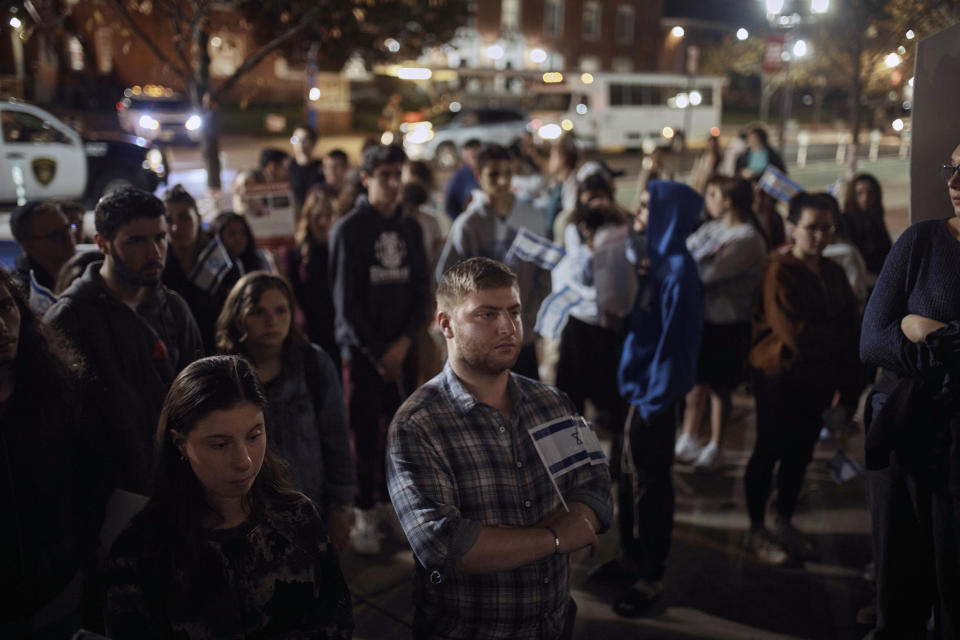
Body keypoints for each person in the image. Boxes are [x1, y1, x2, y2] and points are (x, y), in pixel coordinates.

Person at [387, 257, 612, 640]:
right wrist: (557, 538)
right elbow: (444, 545)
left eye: (514, 312)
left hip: (553, 623)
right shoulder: (418, 425)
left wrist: (576, 520)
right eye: (486, 314)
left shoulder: (553, 403)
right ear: (446, 325)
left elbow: (595, 481)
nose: (507, 327)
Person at [104, 355, 353, 638]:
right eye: (220, 444)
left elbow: (337, 619)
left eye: (254, 435)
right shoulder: (142, 551)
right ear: (180, 444)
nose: (244, 461)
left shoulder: (296, 516)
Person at [859, 142, 960, 638]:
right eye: (953, 169)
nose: (954, 184)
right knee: (898, 590)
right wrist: (943, 346)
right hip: (909, 439)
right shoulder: (922, 241)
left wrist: (922, 326)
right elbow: (873, 340)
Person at [45, 187, 204, 496]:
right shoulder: (71, 317)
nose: (154, 253)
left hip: (178, 490)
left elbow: (198, 401)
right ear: (103, 243)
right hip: (104, 499)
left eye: (159, 237)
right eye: (137, 241)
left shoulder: (173, 308)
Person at [744, 192, 860, 565]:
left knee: (800, 453)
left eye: (827, 228)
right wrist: (841, 340)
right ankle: (756, 528)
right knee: (769, 450)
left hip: (818, 379)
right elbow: (797, 334)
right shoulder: (778, 270)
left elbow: (851, 326)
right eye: (811, 228)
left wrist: (847, 375)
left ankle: (783, 521)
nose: (820, 236)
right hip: (779, 378)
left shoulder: (833, 272)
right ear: (792, 228)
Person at [329, 143, 429, 555]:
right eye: (383, 175)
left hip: (403, 351)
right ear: (366, 178)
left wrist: (404, 344)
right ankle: (364, 513)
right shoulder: (349, 229)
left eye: (397, 174)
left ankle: (393, 504)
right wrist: (378, 353)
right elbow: (345, 304)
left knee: (401, 433)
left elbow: (422, 293)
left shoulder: (411, 228)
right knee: (364, 433)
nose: (392, 183)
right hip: (363, 354)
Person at [0, 266, 106, 638]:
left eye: (6, 308)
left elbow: (92, 480)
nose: (2, 326)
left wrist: (79, 551)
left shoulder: (59, 393)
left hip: (60, 590)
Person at [613, 180, 703, 617]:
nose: (639, 210)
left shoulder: (680, 272)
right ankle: (630, 557)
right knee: (629, 479)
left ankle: (651, 572)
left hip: (653, 397)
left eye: (648, 205)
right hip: (638, 391)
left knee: (650, 483)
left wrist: (654, 398)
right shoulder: (660, 263)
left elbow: (677, 348)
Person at [216, 272, 355, 551]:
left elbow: (336, 438)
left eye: (281, 311)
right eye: (258, 312)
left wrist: (342, 507)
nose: (272, 321)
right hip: (245, 513)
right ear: (238, 317)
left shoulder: (313, 365)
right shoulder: (223, 374)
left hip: (308, 504)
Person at [436, 143, 551, 380]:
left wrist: (528, 319)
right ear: (478, 176)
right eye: (494, 174)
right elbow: (446, 279)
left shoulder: (531, 218)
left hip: (522, 334)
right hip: (480, 339)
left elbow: (545, 274)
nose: (502, 181)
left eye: (508, 173)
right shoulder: (468, 224)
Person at [676, 177, 767, 471]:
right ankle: (689, 436)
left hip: (728, 322)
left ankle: (716, 443)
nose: (709, 200)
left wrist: (686, 265)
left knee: (720, 387)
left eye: (713, 194)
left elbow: (705, 273)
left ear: (728, 201)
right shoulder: (714, 228)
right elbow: (685, 251)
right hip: (703, 319)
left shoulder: (747, 239)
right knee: (696, 382)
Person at [552, 173, 629, 437]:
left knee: (609, 396)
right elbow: (581, 276)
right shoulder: (576, 228)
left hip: (610, 321)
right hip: (580, 318)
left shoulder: (621, 227)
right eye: (589, 200)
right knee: (572, 395)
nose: (595, 206)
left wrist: (615, 222)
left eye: (601, 199)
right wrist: (590, 244)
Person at [161, 184, 236, 353]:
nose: (175, 227)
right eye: (168, 220)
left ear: (199, 219)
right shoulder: (156, 263)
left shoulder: (223, 261)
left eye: (184, 218)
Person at [286, 185, 339, 371]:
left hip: (338, 327)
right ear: (308, 219)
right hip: (309, 328)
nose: (323, 222)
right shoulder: (297, 253)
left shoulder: (342, 250)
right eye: (317, 217)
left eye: (328, 216)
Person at [10, 200, 77, 293]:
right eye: (56, 235)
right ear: (28, 244)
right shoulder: (21, 293)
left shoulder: (81, 270)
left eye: (68, 228)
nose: (69, 238)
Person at [841, 172, 893, 280]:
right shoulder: (844, 222)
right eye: (859, 193)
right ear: (852, 196)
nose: (865, 198)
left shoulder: (876, 220)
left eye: (870, 193)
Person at [287, 124, 325, 215]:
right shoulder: (286, 167)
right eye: (295, 140)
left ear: (314, 142)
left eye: (304, 140)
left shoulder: (322, 168)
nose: (299, 144)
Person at [545, 142, 579, 241]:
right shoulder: (558, 184)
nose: (549, 161)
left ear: (562, 160)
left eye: (552, 157)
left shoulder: (573, 186)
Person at [443, 138, 482, 221]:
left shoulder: (486, 172)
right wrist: (461, 221)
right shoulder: (459, 177)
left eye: (480, 156)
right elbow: (449, 206)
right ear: (465, 157)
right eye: (474, 157)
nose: (478, 160)